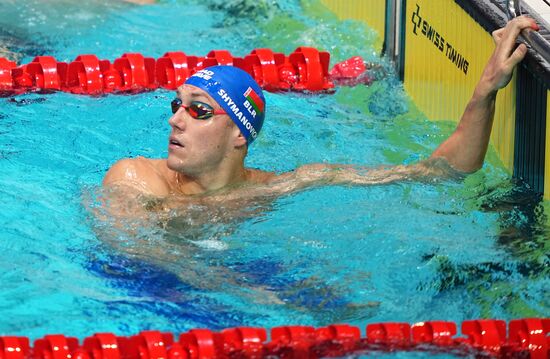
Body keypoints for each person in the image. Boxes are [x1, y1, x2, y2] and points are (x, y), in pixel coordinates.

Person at [103, 16, 538, 208]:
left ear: (240, 134)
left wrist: (485, 92)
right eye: (177, 104)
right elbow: (138, 258)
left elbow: (442, 170)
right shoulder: (135, 179)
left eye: (198, 111)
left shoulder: (282, 187)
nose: (175, 119)